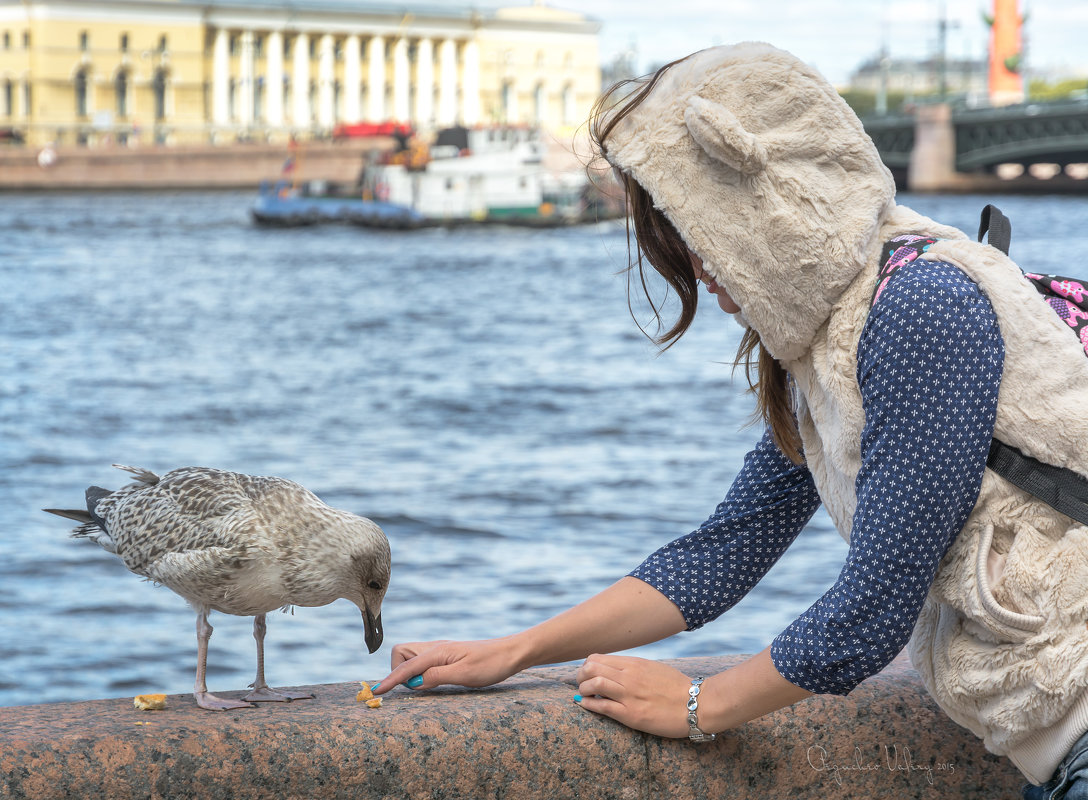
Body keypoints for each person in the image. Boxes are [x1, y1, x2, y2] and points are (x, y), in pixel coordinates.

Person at [372, 43, 1088, 797]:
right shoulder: (825, 340)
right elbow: (726, 549)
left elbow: (874, 610)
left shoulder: (920, 310)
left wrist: (698, 704)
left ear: (766, 201)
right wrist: (516, 650)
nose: (695, 262)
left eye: (698, 226)